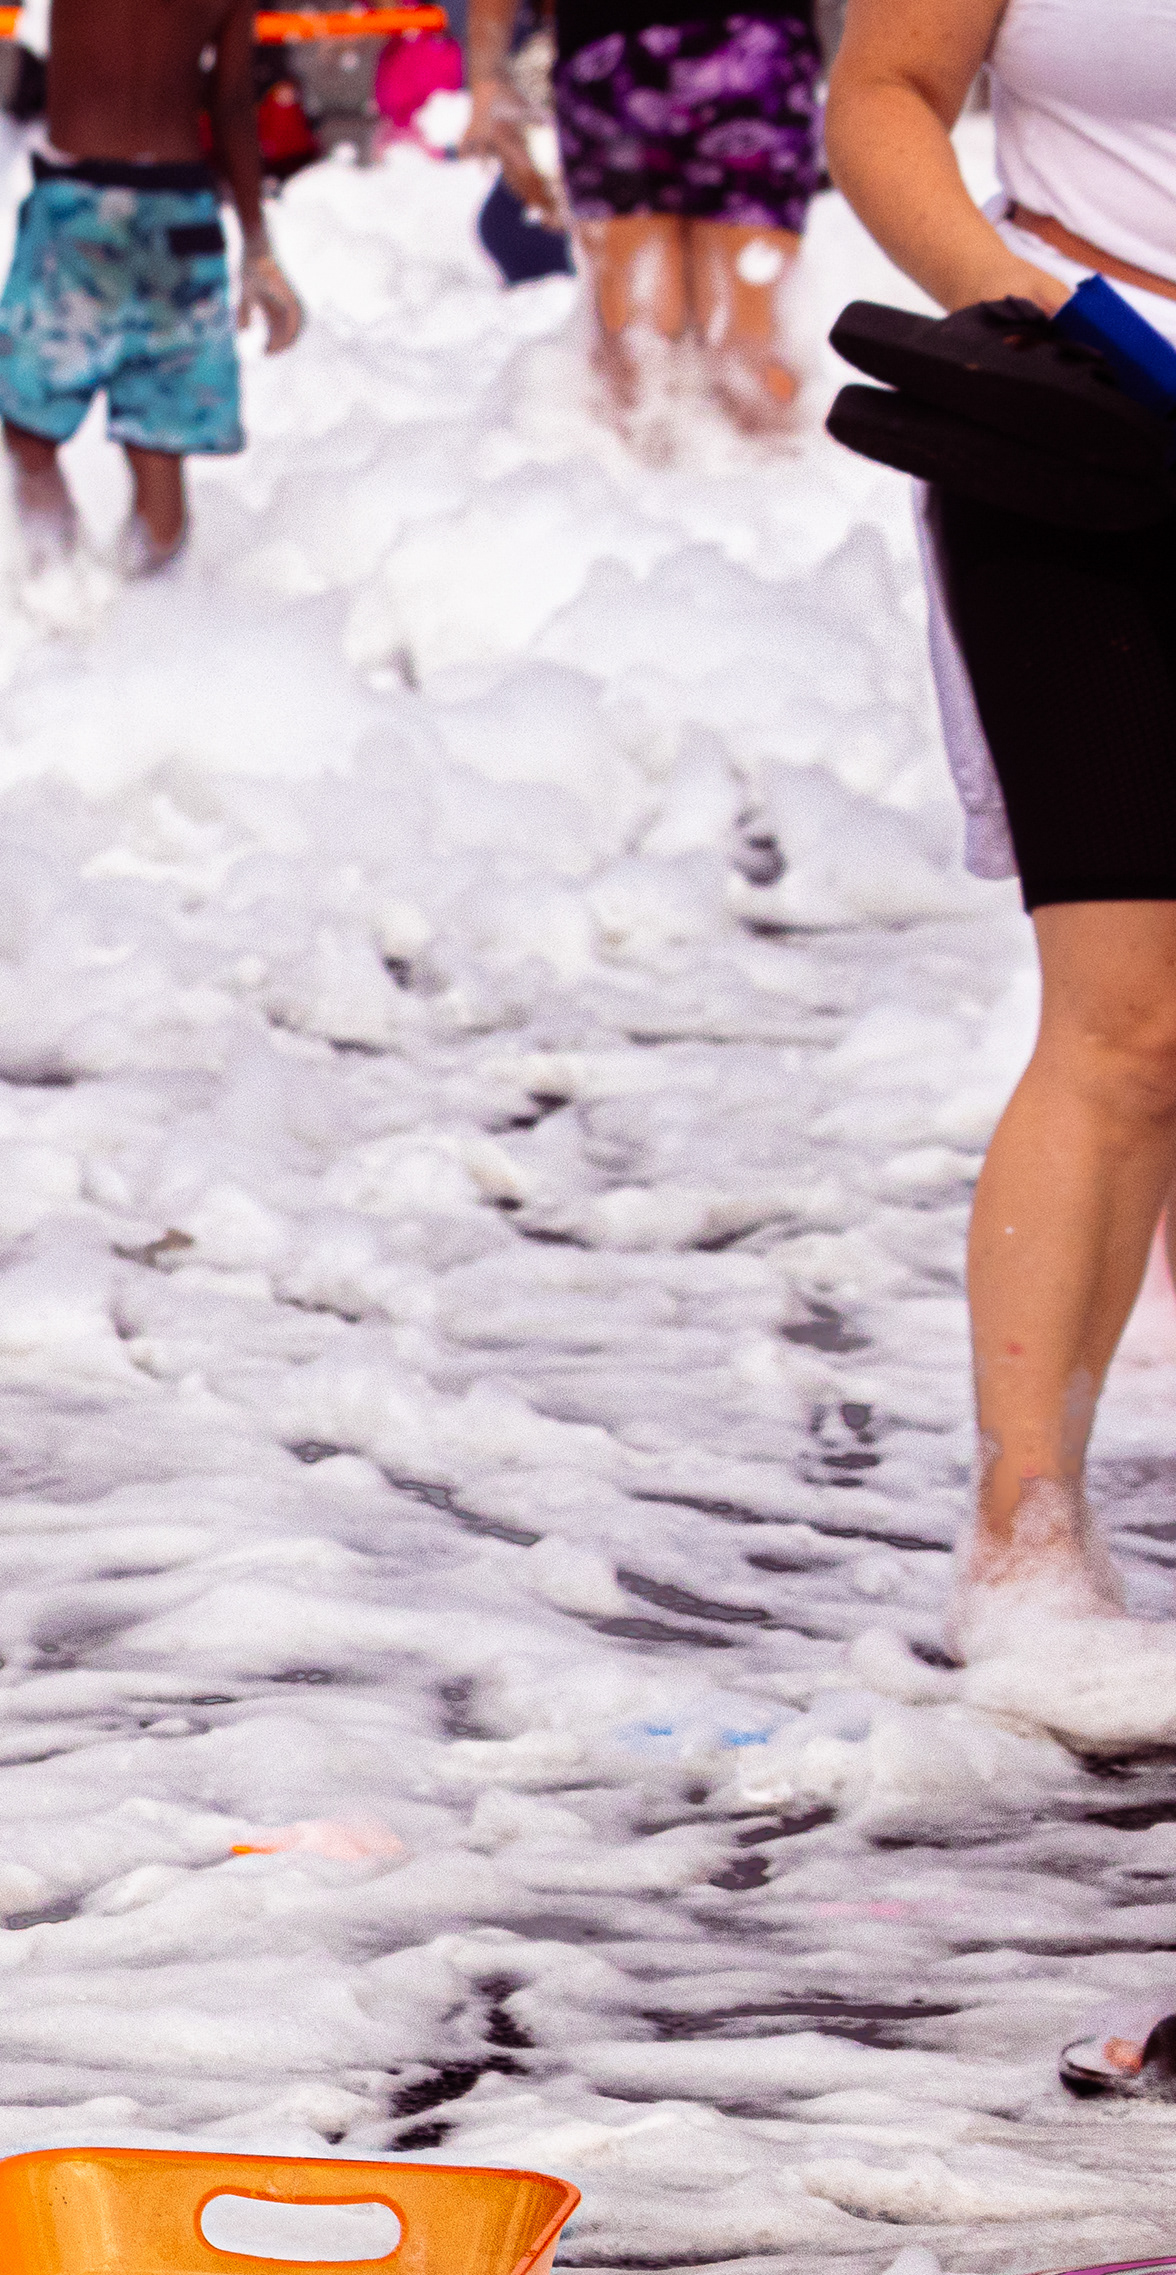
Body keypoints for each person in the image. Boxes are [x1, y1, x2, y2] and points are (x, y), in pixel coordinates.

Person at [826, 0, 1176, 1707]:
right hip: (1087, 427)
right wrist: (1048, 312)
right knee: (1133, 1018)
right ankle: (1026, 1529)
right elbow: (885, 96)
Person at [0, 0, 304, 576]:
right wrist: (258, 244)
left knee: (28, 429)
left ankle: (56, 591)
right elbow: (230, 106)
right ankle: (147, 616)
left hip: (79, 208)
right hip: (179, 211)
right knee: (158, 439)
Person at [463, 0, 819, 429]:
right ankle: (777, 479)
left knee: (637, 348)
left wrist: (487, 82)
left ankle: (643, 478)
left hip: (614, 53)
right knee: (747, 346)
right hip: (756, 49)